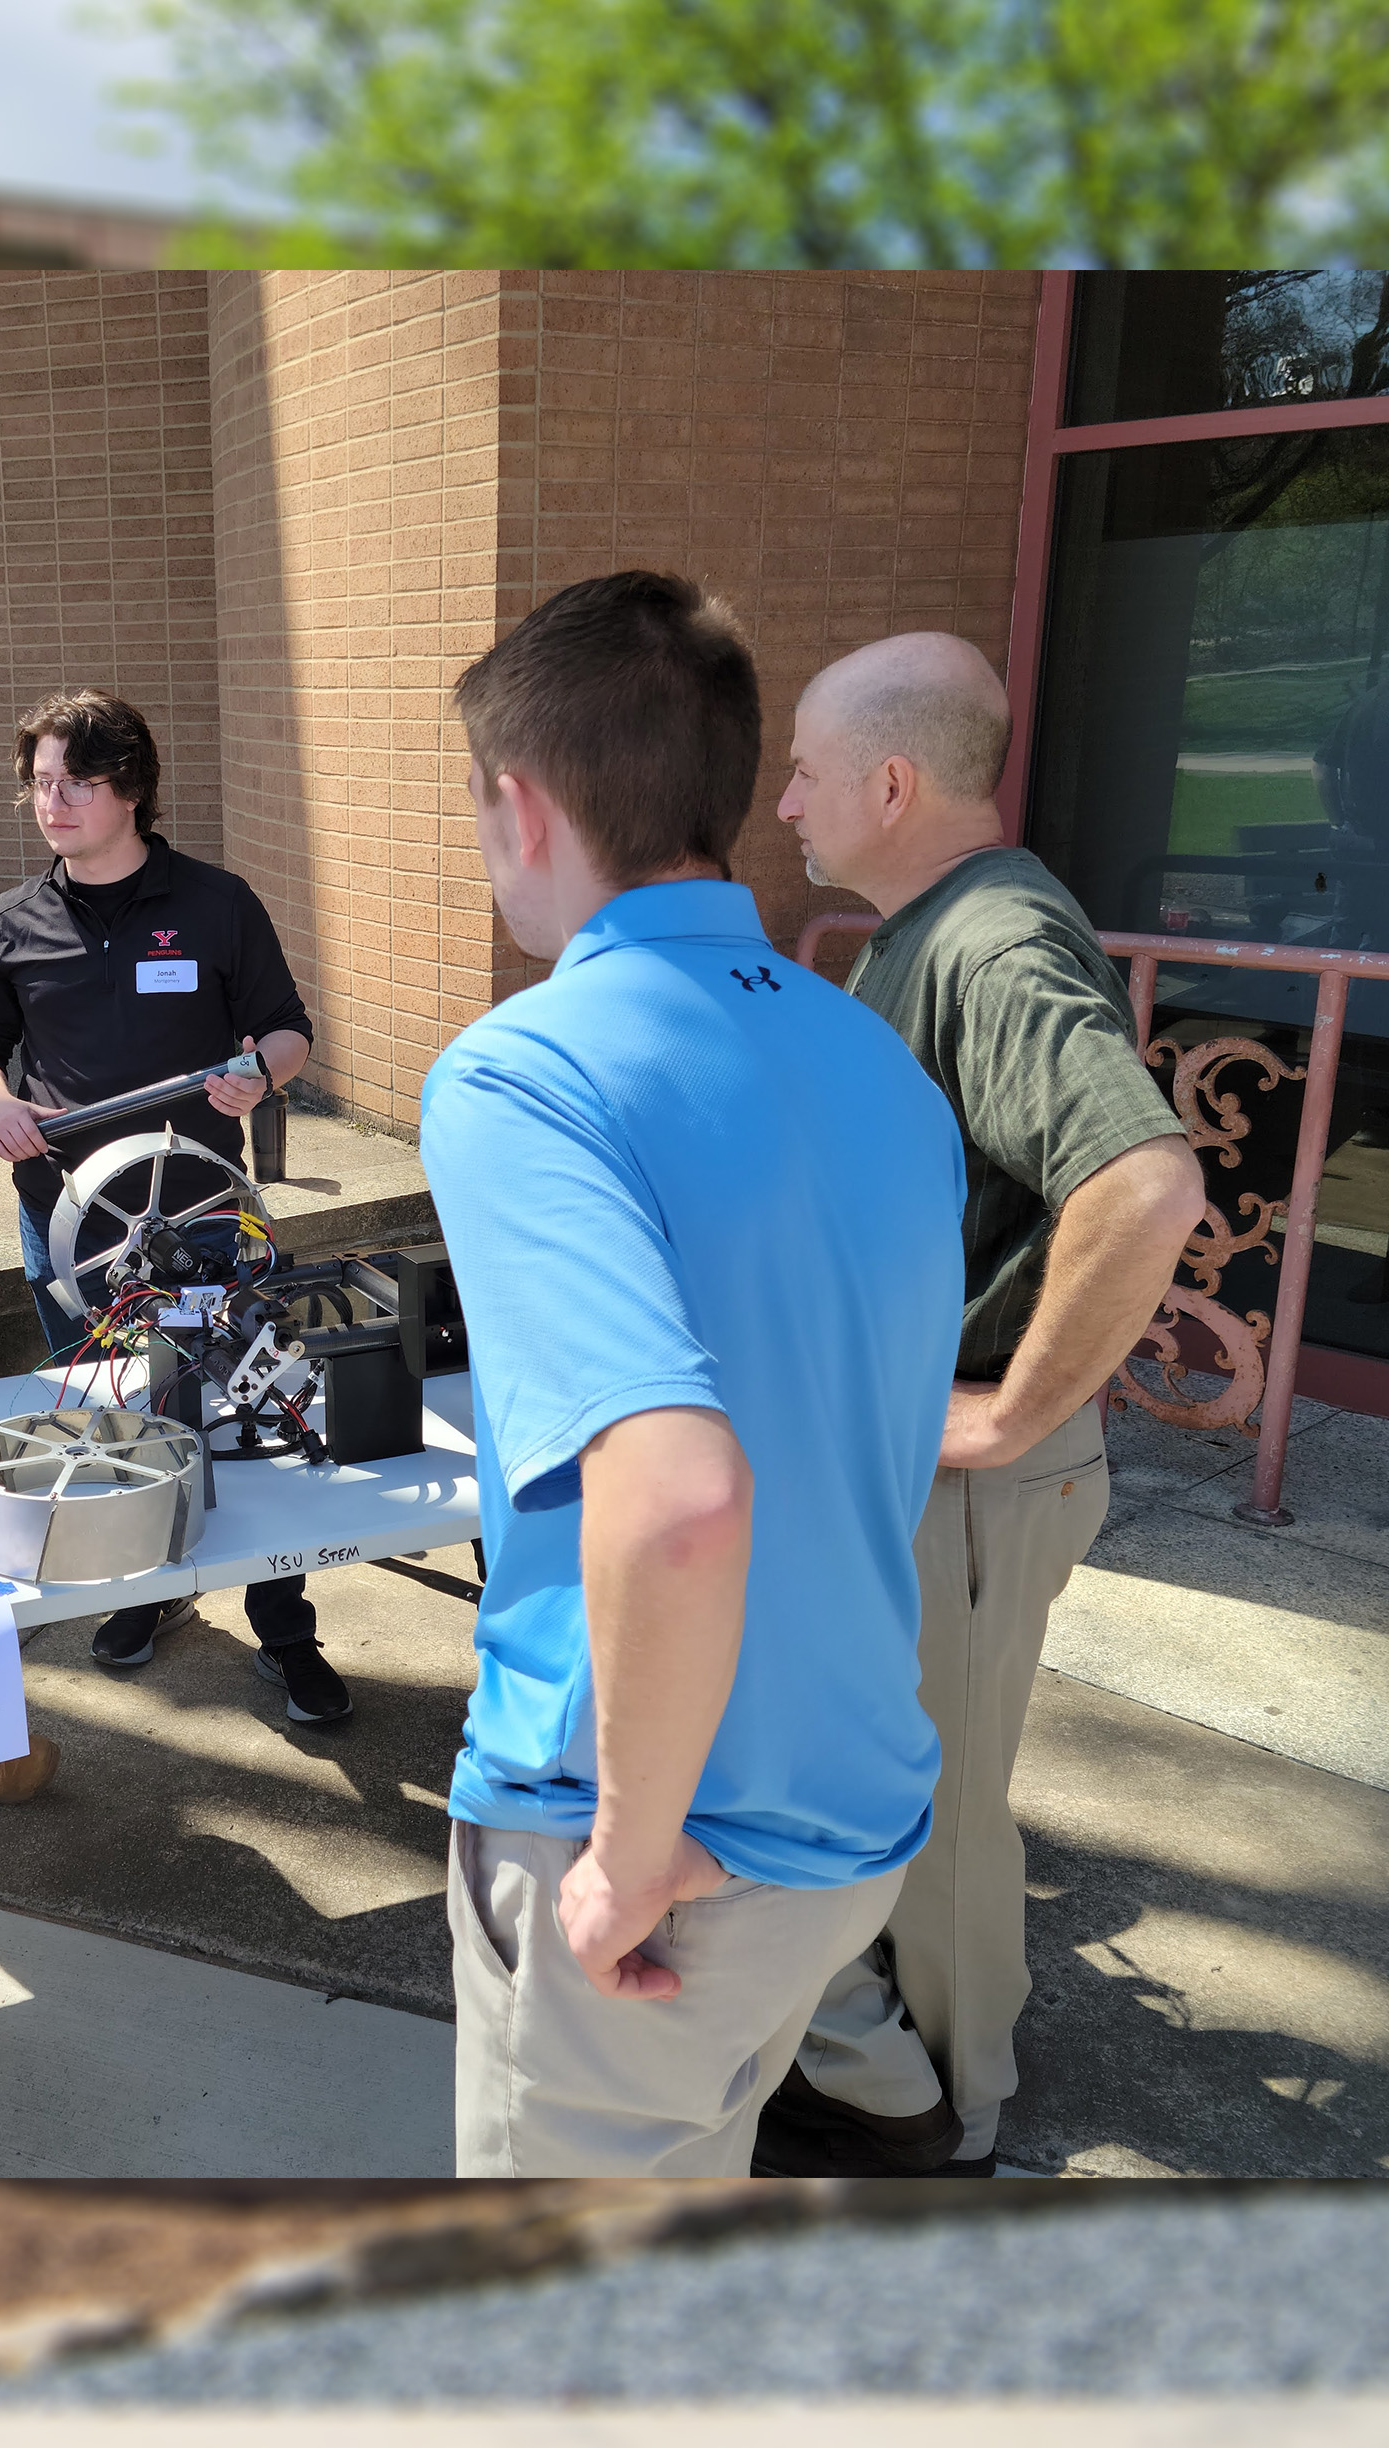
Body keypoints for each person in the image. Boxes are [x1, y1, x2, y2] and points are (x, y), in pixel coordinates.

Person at [420, 570, 966, 2177]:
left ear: (522, 805)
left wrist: (629, 1853)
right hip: (854, 1807)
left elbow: (677, 1500)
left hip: (655, 1837)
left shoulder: (524, 1072)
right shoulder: (876, 1058)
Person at [765, 629, 1207, 2177]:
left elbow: (1146, 1184)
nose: (785, 804)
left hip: (964, 1472)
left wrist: (1008, 1415)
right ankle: (901, 2081)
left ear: (892, 782)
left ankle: (949, 2118)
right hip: (920, 1459)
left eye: (805, 771)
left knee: (939, 1814)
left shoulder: (992, 945)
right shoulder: (934, 928)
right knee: (897, 1781)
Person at [0, 688, 345, 1723]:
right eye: (40, 783)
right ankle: (149, 1590)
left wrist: (260, 1073)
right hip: (72, 1229)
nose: (52, 802)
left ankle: (285, 1627)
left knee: (249, 1410)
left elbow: (287, 1028)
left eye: (75, 782)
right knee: (115, 1420)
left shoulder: (215, 904)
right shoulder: (14, 921)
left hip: (200, 1220)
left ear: (130, 787)